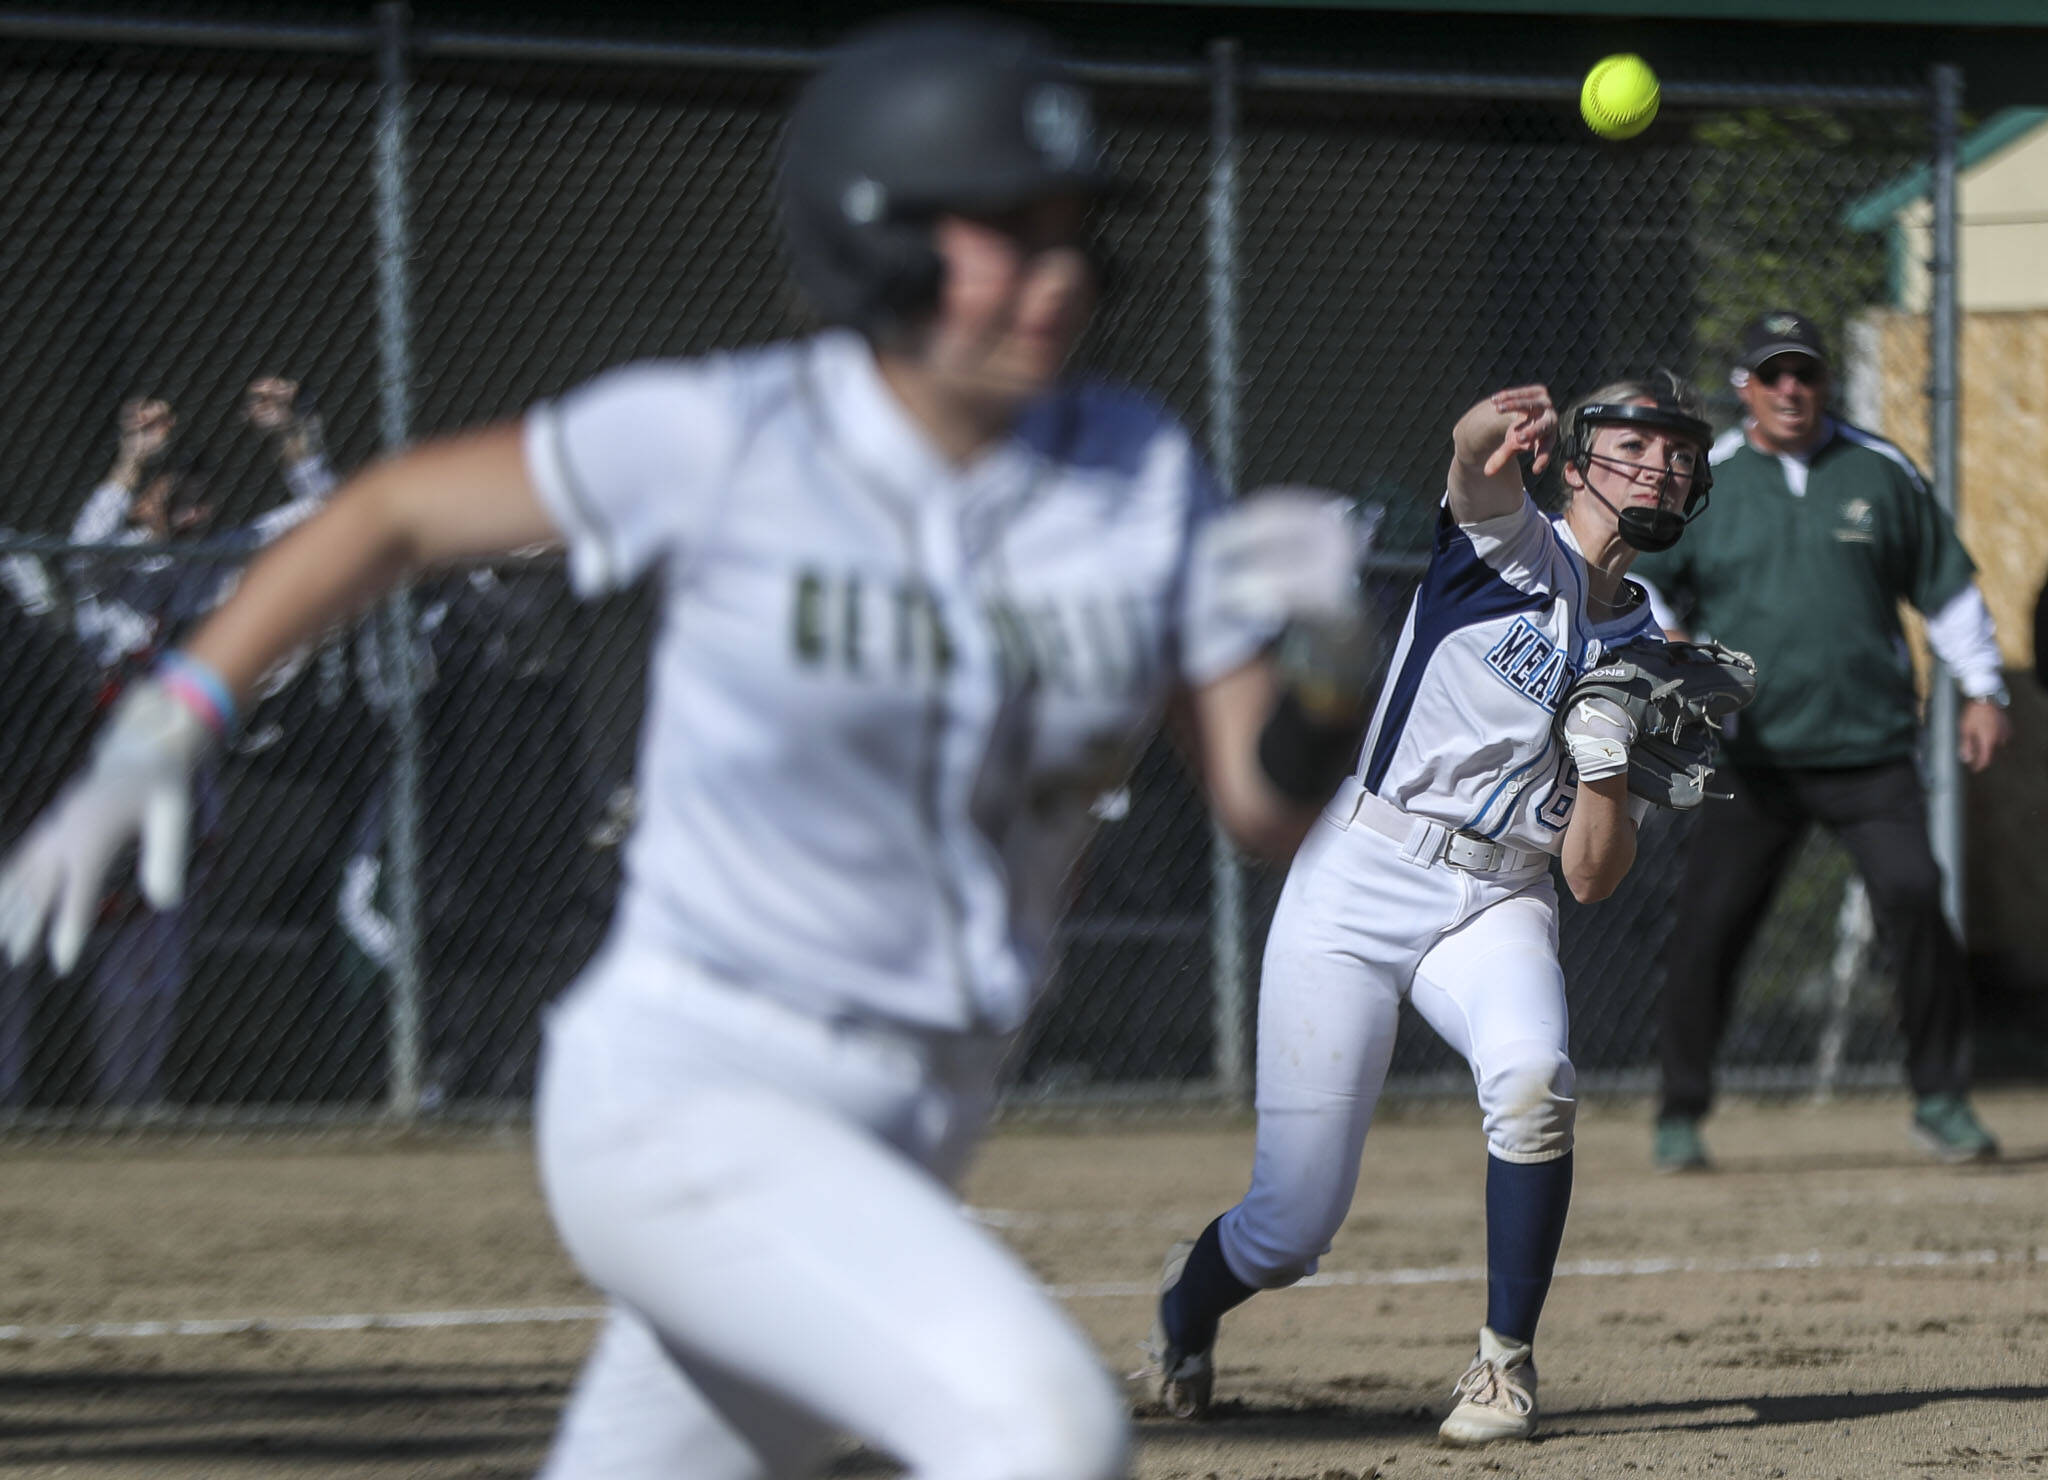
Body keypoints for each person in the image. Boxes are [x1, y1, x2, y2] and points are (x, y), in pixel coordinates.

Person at [0, 14, 1382, 1477]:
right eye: (1003, 233)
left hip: (923, 1117)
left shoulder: (1135, 468)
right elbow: (392, 513)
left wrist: (1329, 660)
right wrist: (176, 714)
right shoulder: (736, 433)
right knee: (1038, 1427)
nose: (1055, 276)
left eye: (1070, 237)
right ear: (873, 234)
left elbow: (1260, 801)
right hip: (690, 1092)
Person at [1150, 373, 1721, 1447]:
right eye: (1633, 444)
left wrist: (1603, 771)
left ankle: (1502, 1365)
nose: (1656, 465)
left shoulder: (1658, 647)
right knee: (1287, 1227)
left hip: (1502, 893)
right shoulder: (1508, 545)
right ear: (1572, 457)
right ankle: (1184, 1307)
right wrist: (1488, 428)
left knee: (1532, 1079)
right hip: (1362, 872)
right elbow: (1467, 460)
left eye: (1678, 453)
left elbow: (1592, 878)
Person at [1632, 310, 2013, 1172]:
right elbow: (1646, 590)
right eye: (1773, 375)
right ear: (1746, 389)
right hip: (1750, 759)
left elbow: (1946, 589)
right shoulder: (1708, 478)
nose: (1791, 390)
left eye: (1804, 373)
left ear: (1824, 383)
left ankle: (1942, 1099)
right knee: (1707, 931)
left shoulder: (1878, 473)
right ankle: (1680, 1113)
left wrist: (1985, 690)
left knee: (1916, 899)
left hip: (1870, 749)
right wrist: (1670, 651)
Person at [63, 382, 335, 1109]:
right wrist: (131, 461)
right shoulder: (110, 560)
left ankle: (138, 1098)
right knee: (121, 949)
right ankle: (111, 1101)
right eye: (177, 496)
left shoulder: (211, 560)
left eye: (203, 499)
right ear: (146, 501)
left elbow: (319, 513)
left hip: (186, 778)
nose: (195, 512)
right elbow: (86, 544)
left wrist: (291, 437)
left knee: (163, 949)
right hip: (107, 778)